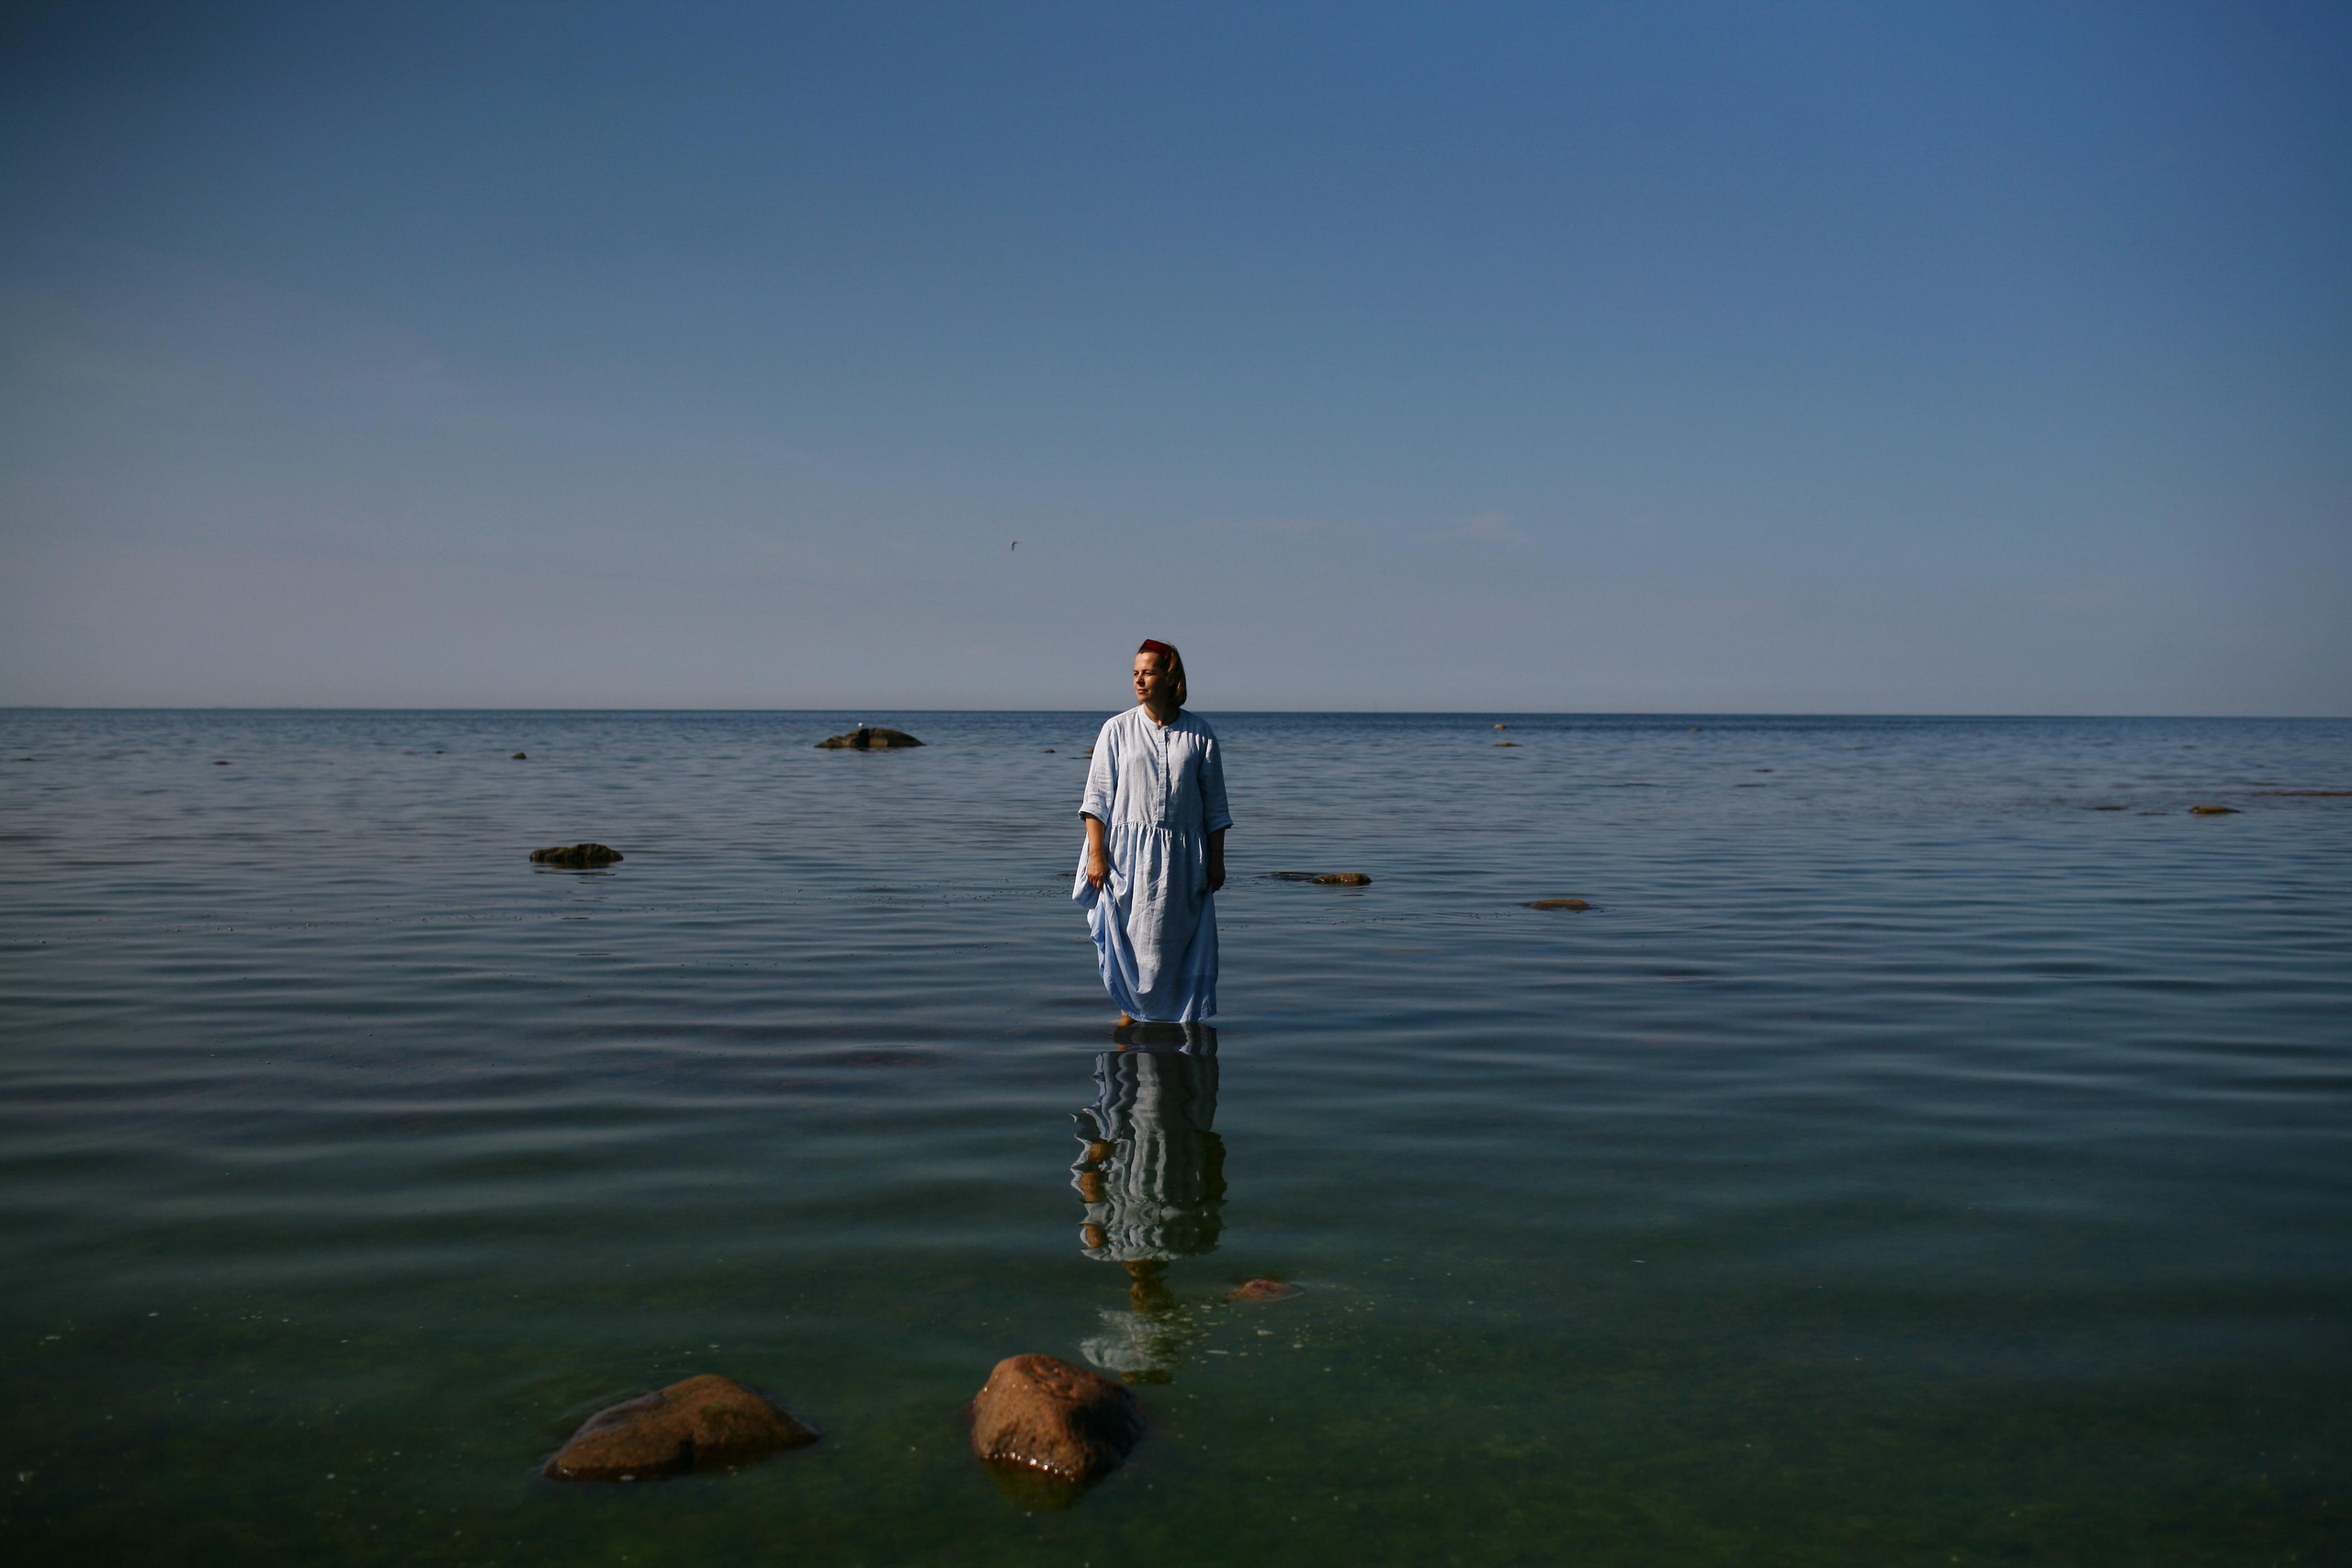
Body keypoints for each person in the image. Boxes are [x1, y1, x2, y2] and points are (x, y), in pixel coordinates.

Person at [1075, 640, 1231, 1024]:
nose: (1139, 680)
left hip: (1182, 859)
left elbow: (1215, 809)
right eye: (1135, 673)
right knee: (1129, 946)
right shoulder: (1117, 729)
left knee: (1174, 946)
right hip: (1127, 857)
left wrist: (1216, 861)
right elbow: (1096, 800)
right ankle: (1130, 1024)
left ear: (1170, 676)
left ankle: (1174, 1029)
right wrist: (1097, 855)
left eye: (1148, 672)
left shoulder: (1199, 733)